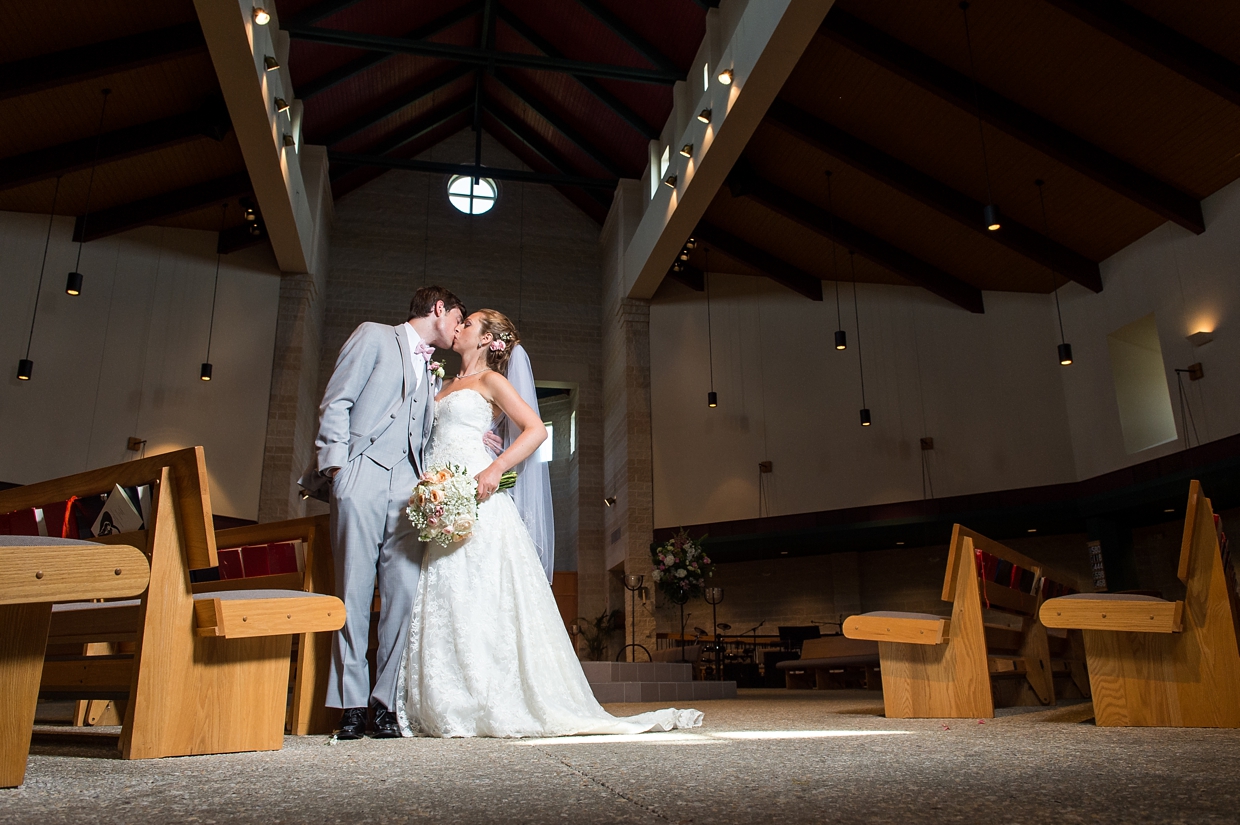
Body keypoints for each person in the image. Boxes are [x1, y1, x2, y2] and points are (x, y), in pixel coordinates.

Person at [395, 309, 702, 737]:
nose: (460, 326)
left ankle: (489, 698)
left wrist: (494, 466)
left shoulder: (491, 381)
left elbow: (536, 430)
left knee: (484, 594)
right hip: (440, 500)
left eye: (470, 323)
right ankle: (449, 699)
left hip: (479, 497)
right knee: (448, 593)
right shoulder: (442, 385)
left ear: (487, 340)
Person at [299, 286, 465, 740]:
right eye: (457, 318)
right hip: (363, 473)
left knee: (402, 597)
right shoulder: (373, 336)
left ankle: (383, 702)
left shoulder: (434, 369)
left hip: (409, 488)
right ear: (438, 309)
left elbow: (425, 429)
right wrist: (337, 468)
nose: (457, 328)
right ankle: (351, 704)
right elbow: (337, 400)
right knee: (353, 592)